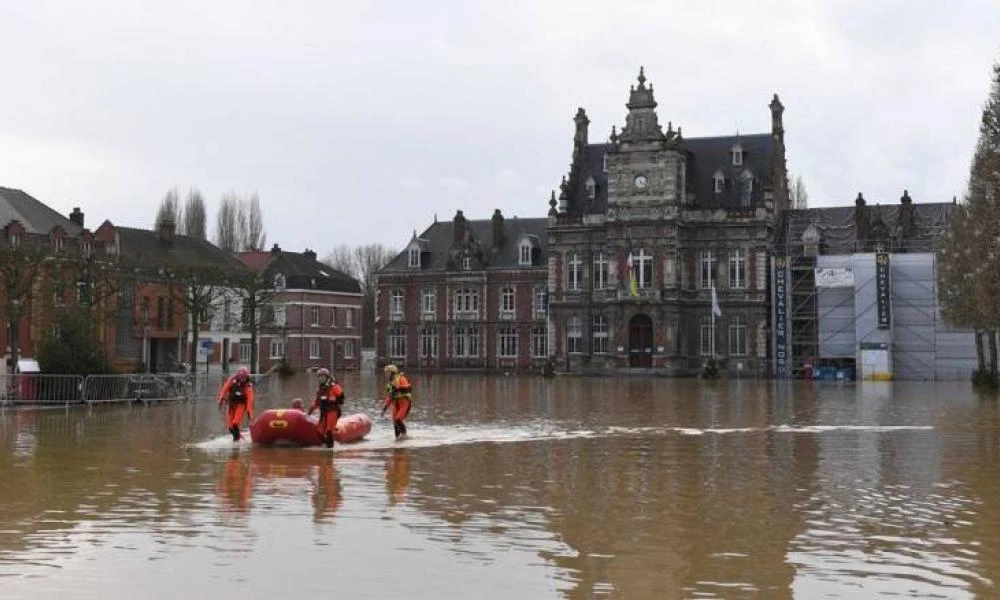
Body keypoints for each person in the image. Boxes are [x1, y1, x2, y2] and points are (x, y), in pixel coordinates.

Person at [308, 368, 344, 448]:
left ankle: (330, 451)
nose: (321, 378)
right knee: (319, 432)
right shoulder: (320, 389)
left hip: (333, 411)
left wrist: (335, 401)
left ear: (327, 377)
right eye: (319, 377)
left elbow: (341, 396)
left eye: (323, 377)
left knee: (329, 431)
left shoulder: (333, 386)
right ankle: (327, 445)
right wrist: (310, 411)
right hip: (324, 412)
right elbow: (316, 402)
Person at [218, 366, 254, 441]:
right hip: (231, 405)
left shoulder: (248, 387)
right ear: (238, 376)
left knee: (235, 424)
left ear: (246, 377)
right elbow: (225, 389)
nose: (242, 379)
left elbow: (250, 401)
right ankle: (239, 436)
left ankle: (236, 442)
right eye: (241, 377)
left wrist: (249, 415)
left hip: (241, 405)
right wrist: (221, 400)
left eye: (244, 378)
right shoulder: (232, 380)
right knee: (230, 428)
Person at [381, 364, 412, 439]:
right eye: (386, 373)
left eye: (387, 372)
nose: (386, 374)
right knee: (395, 423)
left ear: (392, 372)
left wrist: (399, 387)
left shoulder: (401, 378)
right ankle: (397, 439)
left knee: (398, 420)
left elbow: (408, 388)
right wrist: (384, 408)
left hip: (404, 402)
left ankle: (405, 436)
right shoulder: (390, 384)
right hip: (396, 404)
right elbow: (389, 397)